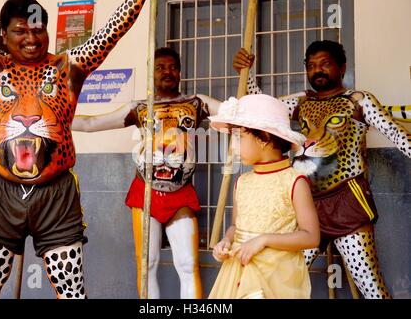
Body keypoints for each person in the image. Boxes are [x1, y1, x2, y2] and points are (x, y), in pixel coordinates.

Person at [0, 0, 146, 299]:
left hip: (56, 197)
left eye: (38, 29)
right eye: (20, 31)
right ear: (4, 35)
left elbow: (112, 31)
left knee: (72, 291)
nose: (31, 38)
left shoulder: (68, 65)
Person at [233, 40, 411, 299]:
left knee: (369, 284)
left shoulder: (359, 101)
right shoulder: (303, 101)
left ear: (342, 68)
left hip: (347, 204)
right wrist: (246, 73)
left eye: (325, 64)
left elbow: (397, 135)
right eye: (312, 65)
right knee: (280, 276)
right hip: (305, 204)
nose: (318, 70)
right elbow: (263, 109)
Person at [72, 47, 221, 299]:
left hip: (181, 192)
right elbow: (90, 124)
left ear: (181, 72)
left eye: (172, 67)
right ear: (152, 73)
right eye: (160, 67)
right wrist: (51, 113)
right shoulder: (139, 107)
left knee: (187, 264)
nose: (167, 72)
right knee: (146, 264)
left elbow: (237, 111)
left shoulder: (197, 103)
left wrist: (244, 77)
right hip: (145, 192)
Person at [207, 94, 320, 299]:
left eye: (239, 137)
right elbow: (235, 227)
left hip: (275, 278)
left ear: (265, 138)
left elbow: (311, 236)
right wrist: (226, 241)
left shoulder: (295, 182)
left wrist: (264, 240)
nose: (232, 147)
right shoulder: (242, 181)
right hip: (238, 270)